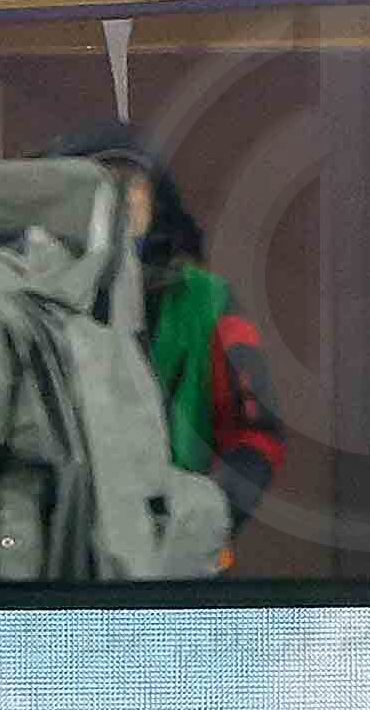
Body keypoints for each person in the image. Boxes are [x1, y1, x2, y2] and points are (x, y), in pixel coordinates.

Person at [40, 118, 284, 529]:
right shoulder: (23, 296)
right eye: (102, 182)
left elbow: (257, 431)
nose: (123, 197)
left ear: (156, 199)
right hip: (46, 552)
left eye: (135, 183)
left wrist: (211, 518)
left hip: (168, 557)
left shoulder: (205, 301)